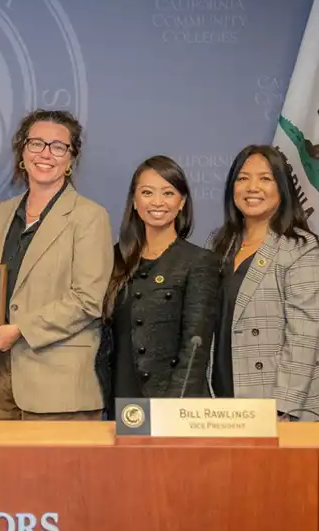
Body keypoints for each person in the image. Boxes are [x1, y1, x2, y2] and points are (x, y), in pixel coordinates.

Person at [0, 110, 113, 420]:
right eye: (36, 143)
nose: (45, 154)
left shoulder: (89, 216)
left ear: (71, 159)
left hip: (58, 388)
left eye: (58, 146)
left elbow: (88, 300)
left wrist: (21, 329)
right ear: (22, 152)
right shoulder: (1, 215)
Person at [95, 156, 220, 417]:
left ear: (182, 202)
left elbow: (195, 348)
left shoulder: (198, 261)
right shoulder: (114, 258)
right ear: (134, 201)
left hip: (172, 403)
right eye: (147, 192)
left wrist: (173, 408)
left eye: (168, 193)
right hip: (119, 398)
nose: (157, 202)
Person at [209, 145, 319, 420]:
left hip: (274, 403)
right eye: (243, 178)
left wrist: (284, 409)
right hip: (219, 398)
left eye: (265, 178)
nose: (252, 187)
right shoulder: (219, 244)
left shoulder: (299, 248)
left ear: (282, 187)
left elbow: (304, 336)